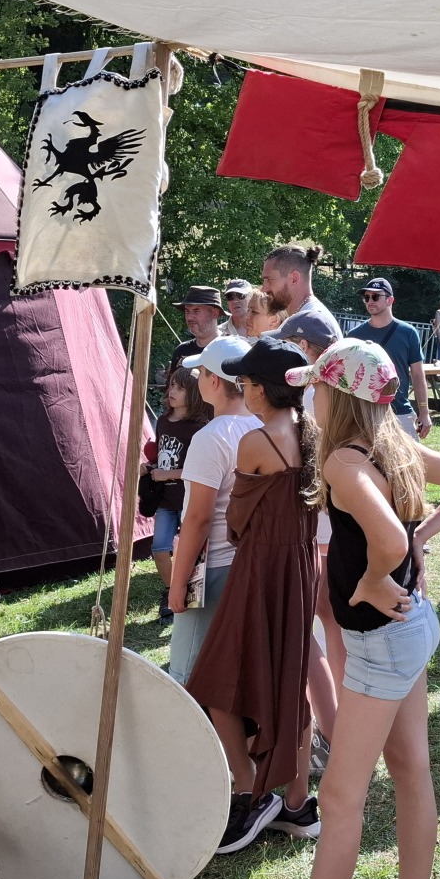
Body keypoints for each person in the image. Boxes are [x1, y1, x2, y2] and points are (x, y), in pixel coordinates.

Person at [233, 339, 440, 879]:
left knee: (341, 797)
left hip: (383, 641)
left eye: (316, 388)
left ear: (336, 395)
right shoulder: (392, 444)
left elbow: (387, 539)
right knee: (410, 769)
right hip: (409, 630)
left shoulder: (344, 463)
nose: (310, 400)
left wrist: (382, 573)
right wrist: (420, 540)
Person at [187, 339, 322, 851]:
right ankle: (297, 803)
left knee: (215, 681)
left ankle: (249, 791)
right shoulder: (312, 432)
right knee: (291, 683)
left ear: (261, 390)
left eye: (244, 381)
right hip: (300, 568)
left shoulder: (256, 441)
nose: (241, 388)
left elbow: (237, 521)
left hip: (260, 569)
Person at [167, 335, 259, 687]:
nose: (197, 379)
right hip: (248, 560)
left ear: (215, 381)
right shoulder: (263, 427)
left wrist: (178, 582)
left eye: (201, 372)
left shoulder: (211, 436)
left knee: (187, 672)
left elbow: (198, 518)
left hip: (211, 566)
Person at [277, 310, 345, 765]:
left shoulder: (320, 398)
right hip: (323, 526)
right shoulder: (323, 396)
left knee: (322, 625)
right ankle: (336, 728)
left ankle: (335, 730)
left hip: (323, 529)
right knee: (325, 624)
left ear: (305, 347)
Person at [145, 368, 211, 625]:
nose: (172, 391)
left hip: (188, 498)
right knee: (159, 548)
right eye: (172, 386)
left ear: (193, 394)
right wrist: (150, 468)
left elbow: (200, 469)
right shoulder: (163, 421)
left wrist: (168, 474)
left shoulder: (198, 428)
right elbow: (162, 455)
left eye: (180, 388)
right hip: (165, 499)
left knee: (190, 550)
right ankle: (170, 590)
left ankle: (189, 594)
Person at [348, 278, 431, 440]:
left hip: (400, 411)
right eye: (366, 297)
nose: (370, 301)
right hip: (365, 414)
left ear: (390, 300)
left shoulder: (408, 333)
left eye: (375, 297)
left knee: (410, 457)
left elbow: (418, 375)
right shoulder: (354, 335)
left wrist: (424, 411)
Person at [261, 244, 342, 345]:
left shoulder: (312, 323)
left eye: (270, 280)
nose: (264, 289)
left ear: (294, 278)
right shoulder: (305, 317)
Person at [167, 285, 226, 378]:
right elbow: (172, 386)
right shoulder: (181, 351)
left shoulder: (229, 348)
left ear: (215, 313)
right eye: (187, 311)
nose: (189, 317)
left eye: (196, 311)